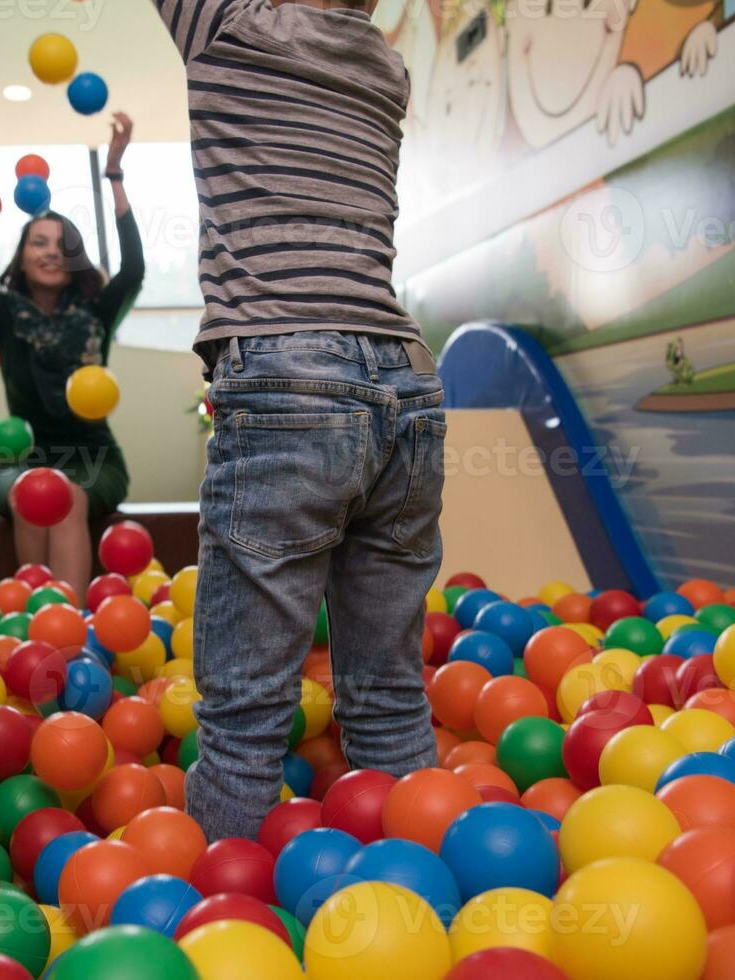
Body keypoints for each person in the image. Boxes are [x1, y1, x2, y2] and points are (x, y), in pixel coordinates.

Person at [151, 0, 448, 840]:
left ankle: (226, 924)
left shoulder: (228, 27)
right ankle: (422, 907)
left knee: (246, 717)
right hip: (407, 383)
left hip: (289, 377)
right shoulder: (384, 65)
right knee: (389, 694)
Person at [0, 109, 145, 600]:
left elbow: (133, 268)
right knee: (39, 489)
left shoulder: (98, 310)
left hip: (95, 461)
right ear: (23, 255)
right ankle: (33, 627)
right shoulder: (4, 313)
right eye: (39, 242)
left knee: (63, 494)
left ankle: (66, 630)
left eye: (62, 245)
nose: (51, 252)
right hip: (22, 462)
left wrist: (114, 173)